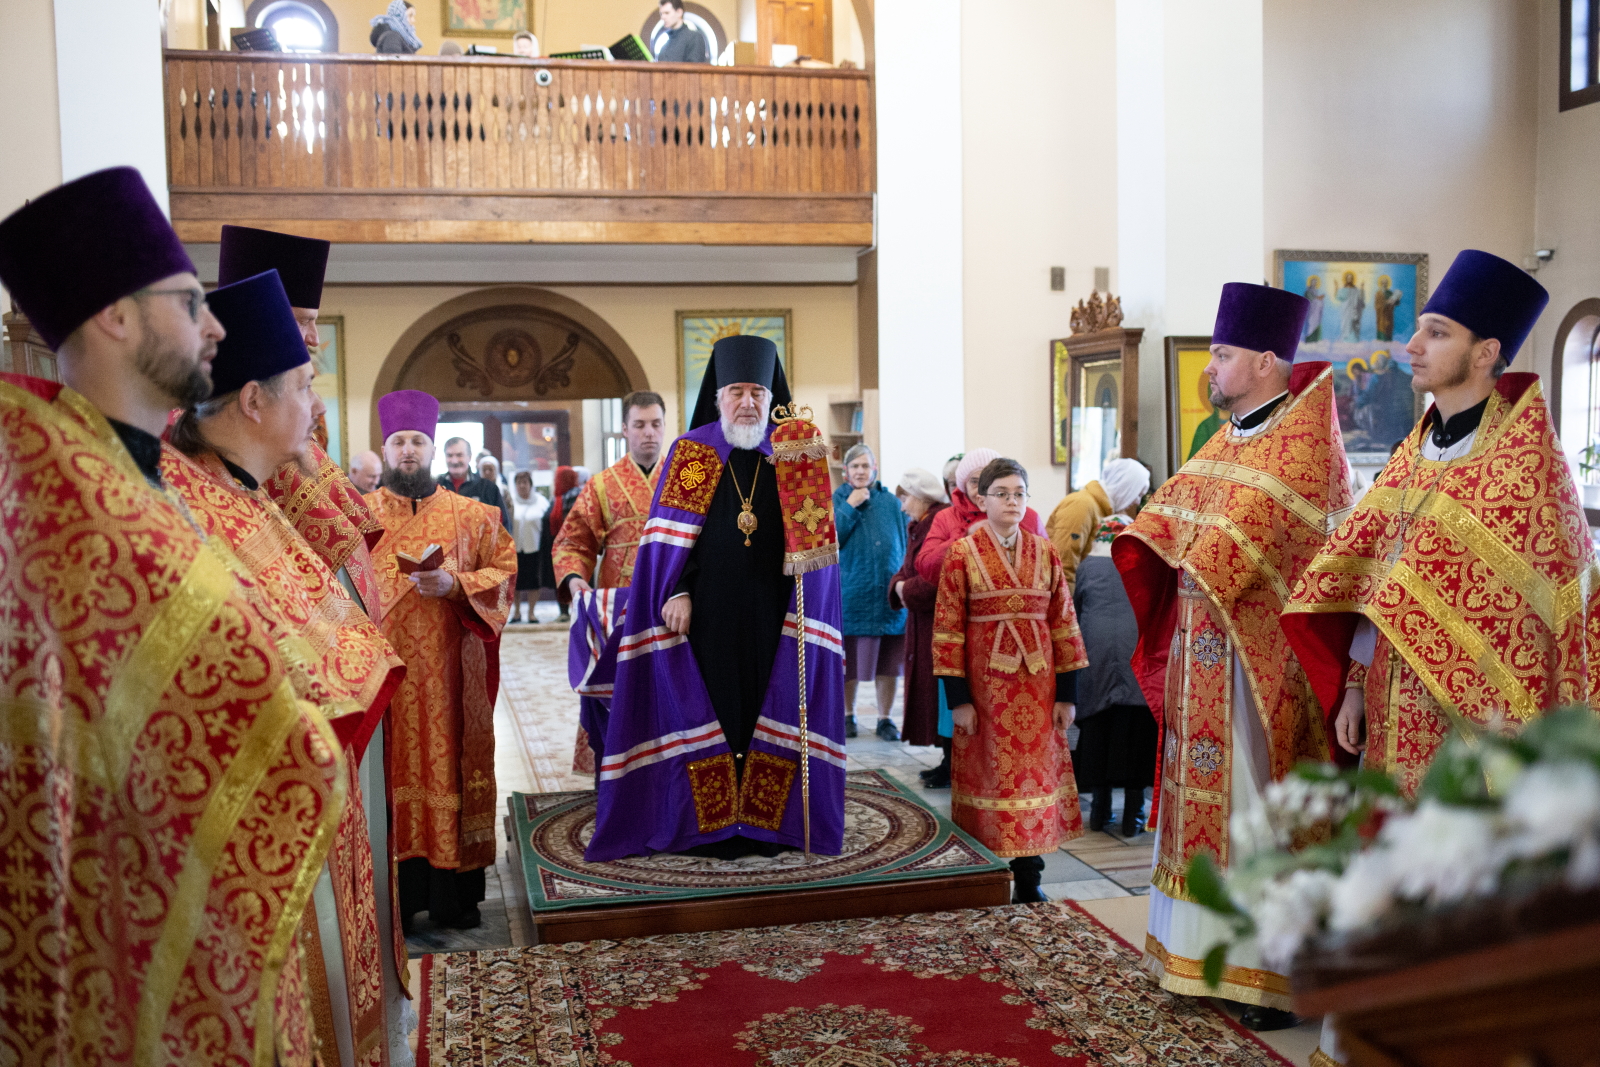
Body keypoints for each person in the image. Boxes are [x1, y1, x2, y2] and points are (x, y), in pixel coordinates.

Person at [0, 166, 346, 1059]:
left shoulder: (142, 474)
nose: (217, 325)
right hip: (120, 911)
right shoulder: (64, 494)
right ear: (119, 317)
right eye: (191, 302)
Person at [161, 269, 406, 1064]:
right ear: (254, 402)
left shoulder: (250, 491)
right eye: (304, 384)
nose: (319, 405)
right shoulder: (191, 501)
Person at [1113, 282, 1349, 1031]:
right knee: (1199, 805)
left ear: (1268, 360)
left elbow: (1242, 546)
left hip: (1263, 671)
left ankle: (1269, 974)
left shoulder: (1305, 445)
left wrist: (1190, 546)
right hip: (1201, 664)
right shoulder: (1228, 437)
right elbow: (1169, 521)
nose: (1209, 367)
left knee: (1256, 810)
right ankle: (1199, 955)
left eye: (1221, 354)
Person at [1285, 250, 1597, 797]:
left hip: (1470, 727)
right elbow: (1371, 579)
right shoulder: (1414, 448)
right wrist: (1356, 685)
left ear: (1486, 352)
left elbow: (1554, 627)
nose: (1412, 345)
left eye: (1436, 333)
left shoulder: (1528, 466)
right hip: (1386, 702)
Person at [585, 335, 847, 860]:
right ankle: (712, 826)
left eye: (757, 391)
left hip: (778, 611)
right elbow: (666, 543)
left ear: (771, 395)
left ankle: (766, 825)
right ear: (718, 397)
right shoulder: (694, 452)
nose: (748, 402)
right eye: (737, 392)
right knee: (715, 711)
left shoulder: (796, 453)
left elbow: (818, 549)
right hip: (706, 615)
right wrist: (677, 589)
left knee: (766, 709)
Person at [366, 390, 517, 930]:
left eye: (417, 441)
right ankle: (398, 901)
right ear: (383, 449)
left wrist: (456, 584)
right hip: (382, 680)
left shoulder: (474, 516)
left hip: (452, 677)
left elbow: (503, 574)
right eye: (399, 442)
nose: (408, 451)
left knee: (450, 765)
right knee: (387, 775)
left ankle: (454, 897)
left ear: (432, 447)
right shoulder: (356, 522)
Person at [934, 457, 1088, 904]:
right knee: (991, 775)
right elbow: (947, 631)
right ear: (981, 499)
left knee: (1034, 779)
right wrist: (958, 700)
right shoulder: (961, 554)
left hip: (1038, 691)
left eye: (1020, 493)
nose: (1012, 502)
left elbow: (1065, 625)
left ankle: (1029, 878)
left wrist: (1068, 694)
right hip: (985, 692)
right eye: (1002, 493)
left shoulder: (1046, 553)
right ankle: (986, 872)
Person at [552, 391, 667, 774]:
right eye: (639, 425)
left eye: (655, 424)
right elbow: (573, 540)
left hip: (673, 606)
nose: (648, 433)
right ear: (625, 430)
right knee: (618, 695)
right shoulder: (603, 485)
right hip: (616, 615)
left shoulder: (685, 481)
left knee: (668, 695)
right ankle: (614, 781)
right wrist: (574, 582)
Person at [1073, 512, 1157, 836]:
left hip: (1094, 652)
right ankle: (1133, 815)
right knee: (1136, 731)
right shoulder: (1143, 561)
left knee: (1097, 727)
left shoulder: (1087, 566)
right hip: (1135, 649)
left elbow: (1079, 608)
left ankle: (1099, 809)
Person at [834, 443, 909, 741]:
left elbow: (904, 541)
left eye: (866, 466)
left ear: (875, 470)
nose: (861, 471)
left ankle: (885, 718)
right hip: (852, 595)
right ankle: (847, 716)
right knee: (848, 662)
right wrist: (849, 506)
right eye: (855, 467)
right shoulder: (836, 500)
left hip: (888, 596)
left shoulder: (891, 502)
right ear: (845, 472)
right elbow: (829, 541)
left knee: (888, 662)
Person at [887, 468, 951, 777]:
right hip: (922, 621)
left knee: (939, 689)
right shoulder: (920, 524)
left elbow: (932, 578)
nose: (902, 506)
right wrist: (899, 584)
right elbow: (907, 567)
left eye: (905, 498)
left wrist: (903, 589)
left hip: (936, 622)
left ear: (921, 497)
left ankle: (950, 760)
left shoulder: (935, 524)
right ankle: (946, 759)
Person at [915, 447, 1046, 589]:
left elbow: (1049, 569)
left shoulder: (1027, 515)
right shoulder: (945, 517)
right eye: (974, 482)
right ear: (963, 485)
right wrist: (965, 536)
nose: (981, 489)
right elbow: (926, 569)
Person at [1045, 457, 1150, 592]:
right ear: (1126, 487)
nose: (1137, 501)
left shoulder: (1103, 510)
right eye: (1138, 494)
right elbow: (1064, 566)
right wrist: (1066, 610)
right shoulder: (1082, 504)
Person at [439, 435, 511, 528]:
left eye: (459, 455)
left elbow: (503, 526)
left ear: (470, 457)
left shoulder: (487, 488)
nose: (454, 461)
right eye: (449, 455)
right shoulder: (436, 487)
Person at [511, 468, 550, 623]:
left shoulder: (541, 501)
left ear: (530, 484)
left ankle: (531, 613)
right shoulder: (510, 501)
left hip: (534, 549)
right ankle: (517, 613)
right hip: (514, 549)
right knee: (515, 583)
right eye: (519, 483)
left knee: (534, 582)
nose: (522, 486)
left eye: (525, 482)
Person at [1373, 273, 1403, 341]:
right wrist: (1386, 303)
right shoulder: (1378, 293)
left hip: (1389, 315)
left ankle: (1389, 345)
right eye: (1383, 283)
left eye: (1386, 283)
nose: (1384, 284)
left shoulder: (1390, 292)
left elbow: (1396, 303)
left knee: (1389, 328)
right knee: (1381, 329)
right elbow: (1377, 305)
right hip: (1381, 316)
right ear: (1381, 283)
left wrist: (1397, 299)